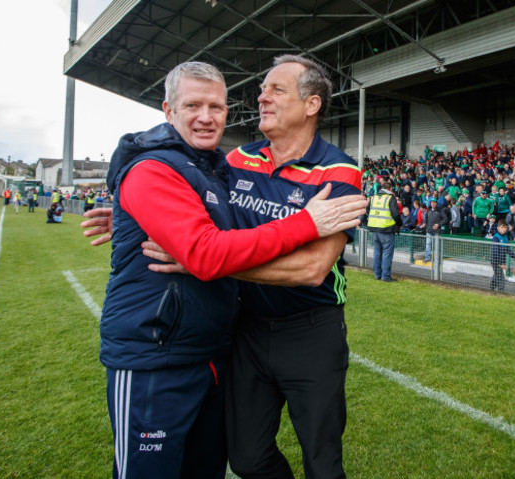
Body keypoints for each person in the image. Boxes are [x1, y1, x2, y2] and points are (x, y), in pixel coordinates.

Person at [82, 61, 366, 479]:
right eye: (262, 88)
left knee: (323, 462)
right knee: (247, 459)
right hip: (243, 329)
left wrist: (202, 263)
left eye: (276, 91)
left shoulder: (340, 171)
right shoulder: (237, 159)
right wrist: (138, 215)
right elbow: (199, 208)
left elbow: (311, 268)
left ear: (312, 104)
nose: (261, 98)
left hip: (309, 328)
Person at [366, 178, 402, 282]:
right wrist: (399, 224)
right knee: (387, 253)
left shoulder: (374, 198)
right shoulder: (390, 198)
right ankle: (385, 276)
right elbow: (396, 214)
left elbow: (367, 210)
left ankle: (377, 274)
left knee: (377, 253)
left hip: (375, 228)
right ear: (390, 188)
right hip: (386, 229)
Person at [490, 220, 515, 292]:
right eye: (502, 227)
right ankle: (501, 293)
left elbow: (507, 250)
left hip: (501, 261)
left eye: (505, 228)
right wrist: (500, 263)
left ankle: (490, 290)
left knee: (496, 276)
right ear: (498, 228)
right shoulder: (496, 238)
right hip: (496, 262)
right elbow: (495, 252)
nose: (503, 229)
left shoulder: (505, 237)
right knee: (501, 278)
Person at [422, 198, 446, 263]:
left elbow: (445, 219)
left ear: (436, 203)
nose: (432, 203)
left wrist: (438, 224)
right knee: (428, 244)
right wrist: (425, 224)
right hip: (429, 231)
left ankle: (437, 259)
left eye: (434, 202)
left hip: (436, 231)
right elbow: (426, 219)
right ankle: (427, 257)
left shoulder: (440, 211)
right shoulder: (428, 210)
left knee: (437, 246)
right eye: (431, 202)